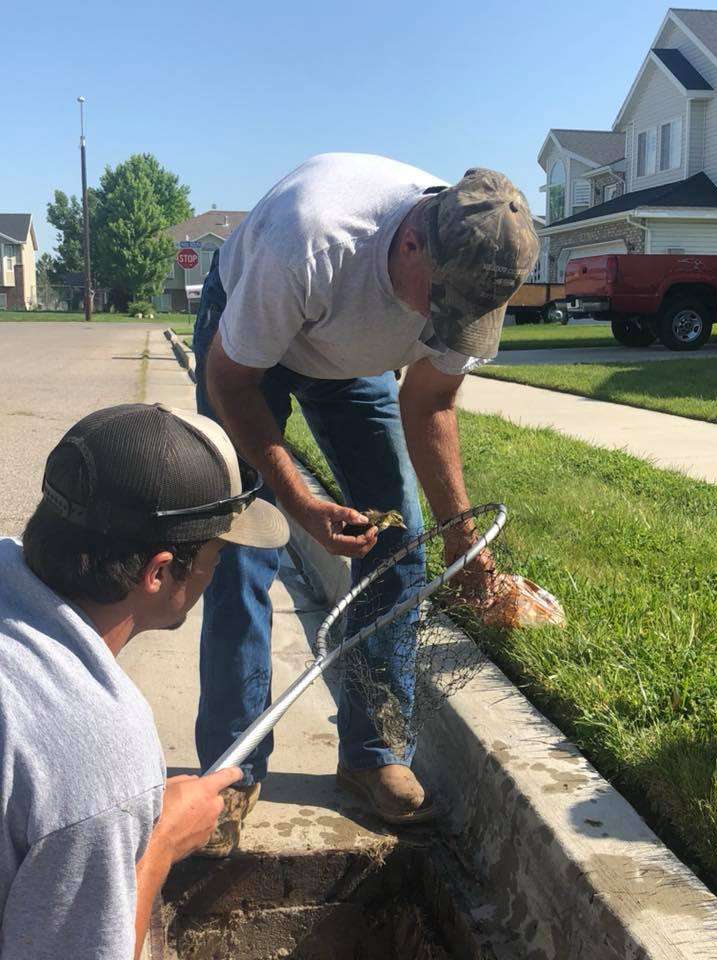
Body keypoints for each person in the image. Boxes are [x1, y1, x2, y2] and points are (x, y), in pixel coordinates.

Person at [193, 153, 538, 834]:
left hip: (348, 360)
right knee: (241, 550)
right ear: (410, 241)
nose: (446, 329)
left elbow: (430, 402)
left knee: (399, 544)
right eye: (440, 307)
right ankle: (235, 766)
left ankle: (374, 754)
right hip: (249, 348)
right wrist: (299, 505)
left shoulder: (474, 268)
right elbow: (232, 382)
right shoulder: (308, 243)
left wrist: (464, 540)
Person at [0, 402, 289, 959]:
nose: (217, 570)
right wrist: (159, 845)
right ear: (158, 572)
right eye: (217, 554)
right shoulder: (95, 756)